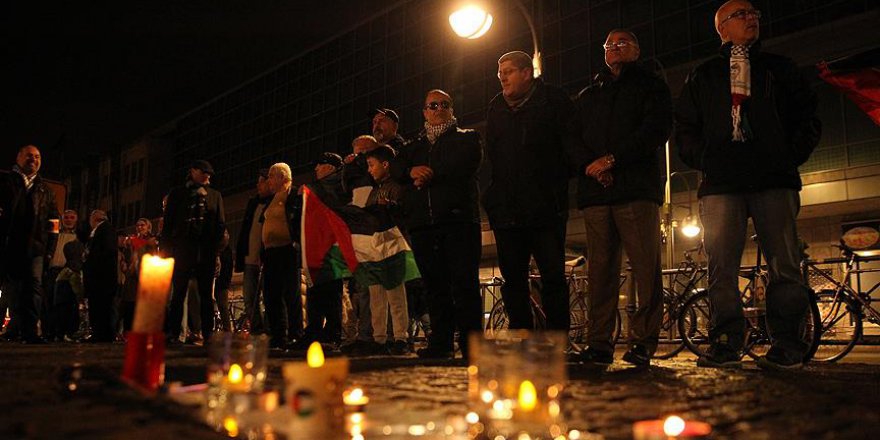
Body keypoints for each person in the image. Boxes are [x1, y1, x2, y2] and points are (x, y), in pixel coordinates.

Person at [675, 0, 821, 370]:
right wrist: (707, 157)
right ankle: (725, 340)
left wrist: (788, 155)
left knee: (784, 262)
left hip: (774, 177)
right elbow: (686, 130)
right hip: (722, 182)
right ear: (722, 27)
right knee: (721, 265)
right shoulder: (703, 74)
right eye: (741, 15)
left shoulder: (779, 67)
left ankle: (788, 343)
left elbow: (808, 116)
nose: (752, 18)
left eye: (754, 13)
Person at [573, 29, 673, 366]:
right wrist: (592, 166)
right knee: (600, 271)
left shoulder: (651, 86)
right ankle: (599, 343)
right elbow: (575, 138)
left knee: (645, 267)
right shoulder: (589, 94)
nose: (615, 48)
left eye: (622, 43)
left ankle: (643, 341)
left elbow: (655, 130)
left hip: (636, 189)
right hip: (596, 192)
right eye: (609, 45)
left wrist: (613, 159)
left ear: (636, 49)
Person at [483, 51, 582, 334]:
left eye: (509, 71)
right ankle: (521, 337)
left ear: (527, 73)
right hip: (507, 210)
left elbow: (570, 144)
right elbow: (494, 155)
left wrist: (553, 184)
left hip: (545, 208)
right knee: (513, 279)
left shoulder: (554, 101)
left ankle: (556, 341)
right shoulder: (496, 107)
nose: (502, 77)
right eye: (500, 72)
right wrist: (494, 198)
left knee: (552, 277)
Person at [391, 89, 482, 359]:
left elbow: (464, 164)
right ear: (424, 112)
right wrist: (410, 171)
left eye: (444, 104)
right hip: (423, 225)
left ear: (452, 109)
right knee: (434, 286)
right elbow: (395, 167)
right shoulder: (412, 146)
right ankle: (441, 343)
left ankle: (472, 347)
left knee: (465, 285)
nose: (438, 108)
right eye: (432, 105)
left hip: (458, 221)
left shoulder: (468, 137)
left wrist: (427, 174)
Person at [161, 160, 226, 345]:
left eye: (209, 174)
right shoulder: (178, 194)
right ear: (193, 172)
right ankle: (174, 333)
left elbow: (220, 224)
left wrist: (215, 250)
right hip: (183, 250)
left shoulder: (214, 196)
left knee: (206, 295)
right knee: (178, 293)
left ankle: (208, 333)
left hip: (205, 251)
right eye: (203, 172)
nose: (207, 176)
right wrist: (166, 250)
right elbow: (169, 224)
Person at [0, 145, 59, 343]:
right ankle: (12, 329)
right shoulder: (5, 182)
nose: (33, 159)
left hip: (36, 248)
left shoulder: (46, 190)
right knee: (11, 288)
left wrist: (49, 250)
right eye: (29, 156)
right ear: (18, 157)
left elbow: (53, 223)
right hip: (8, 245)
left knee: (33, 288)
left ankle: (30, 332)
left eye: (37, 156)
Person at [363, 145, 410, 355]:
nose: (369, 170)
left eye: (372, 165)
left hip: (391, 245)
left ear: (385, 164)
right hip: (375, 247)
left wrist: (389, 207)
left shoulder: (396, 187)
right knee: (376, 296)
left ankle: (401, 337)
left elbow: (404, 216)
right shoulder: (373, 191)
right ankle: (379, 338)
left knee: (395, 294)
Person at [304, 153, 346, 347]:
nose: (316, 169)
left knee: (331, 291)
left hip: (332, 246)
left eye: (320, 165)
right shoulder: (317, 189)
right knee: (315, 290)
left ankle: (331, 333)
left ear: (330, 167)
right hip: (316, 244)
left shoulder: (338, 187)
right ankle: (314, 331)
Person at [262, 163, 303, 349]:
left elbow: (299, 220)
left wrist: (296, 241)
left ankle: (295, 333)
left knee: (291, 293)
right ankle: (278, 335)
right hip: (271, 252)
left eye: (272, 176)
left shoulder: (294, 195)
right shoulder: (270, 199)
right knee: (271, 294)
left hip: (287, 250)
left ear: (282, 177)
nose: (268, 180)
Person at [234, 168, 271, 334]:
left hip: (266, 259)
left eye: (262, 181)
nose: (258, 185)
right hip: (250, 259)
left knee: (270, 298)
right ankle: (256, 329)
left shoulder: (276, 201)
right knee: (249, 298)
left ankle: (270, 331)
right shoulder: (253, 203)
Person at [43, 209, 80, 341]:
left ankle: (64, 332)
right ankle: (49, 331)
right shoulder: (55, 233)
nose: (69, 220)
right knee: (49, 303)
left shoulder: (78, 236)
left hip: (68, 273)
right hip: (53, 271)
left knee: (66, 304)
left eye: (72, 217)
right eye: (66, 217)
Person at [82, 210, 118, 342]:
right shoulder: (104, 230)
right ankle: (101, 333)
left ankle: (101, 334)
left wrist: (92, 263)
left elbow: (106, 251)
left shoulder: (104, 229)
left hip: (101, 276)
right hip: (101, 276)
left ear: (94, 219)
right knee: (101, 306)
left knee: (101, 306)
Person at [119, 218, 158, 332]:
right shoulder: (131, 240)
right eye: (138, 225)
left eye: (143, 225)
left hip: (146, 274)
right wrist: (124, 264)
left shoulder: (152, 241)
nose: (140, 227)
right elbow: (125, 255)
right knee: (130, 302)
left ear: (148, 227)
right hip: (132, 275)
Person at [53, 240, 85, 341]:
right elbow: (76, 286)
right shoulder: (73, 270)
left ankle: (60, 334)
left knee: (61, 317)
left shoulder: (64, 270)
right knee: (69, 317)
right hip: (68, 300)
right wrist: (81, 298)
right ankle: (68, 334)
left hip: (60, 300)